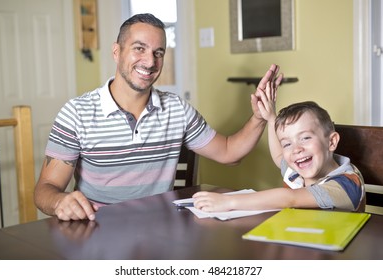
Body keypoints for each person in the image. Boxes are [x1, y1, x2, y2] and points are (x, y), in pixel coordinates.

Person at [34, 13, 283, 221]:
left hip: (161, 230)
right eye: (139, 48)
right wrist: (60, 202)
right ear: (116, 52)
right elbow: (45, 191)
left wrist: (259, 116)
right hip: (98, 231)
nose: (150, 61)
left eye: (158, 52)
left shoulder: (177, 109)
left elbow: (229, 153)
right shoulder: (76, 113)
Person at [193, 94, 366, 212]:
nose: (296, 149)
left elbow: (290, 198)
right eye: (287, 143)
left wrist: (228, 202)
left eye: (305, 138)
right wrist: (270, 118)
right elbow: (278, 157)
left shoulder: (347, 183)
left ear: (332, 142)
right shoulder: (296, 173)